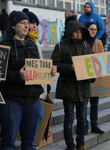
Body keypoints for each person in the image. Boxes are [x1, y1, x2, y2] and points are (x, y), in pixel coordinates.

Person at [0, 10, 56, 150]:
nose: (27, 26)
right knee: (7, 144)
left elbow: (37, 70)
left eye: (27, 23)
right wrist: (18, 75)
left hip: (33, 103)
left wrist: (49, 72)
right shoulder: (3, 46)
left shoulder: (32, 45)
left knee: (30, 144)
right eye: (22, 23)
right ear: (13, 26)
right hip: (12, 102)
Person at [51, 21, 92, 150]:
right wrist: (71, 67)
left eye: (80, 32)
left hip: (83, 88)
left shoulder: (86, 46)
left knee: (82, 118)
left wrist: (96, 74)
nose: (79, 34)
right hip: (68, 88)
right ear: (70, 32)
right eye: (76, 31)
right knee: (69, 119)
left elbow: (90, 65)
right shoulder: (60, 46)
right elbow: (54, 65)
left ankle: (81, 143)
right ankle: (70, 145)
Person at [22, 8, 57, 100]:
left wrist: (49, 72)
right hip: (29, 88)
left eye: (36, 24)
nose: (35, 26)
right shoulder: (24, 41)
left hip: (39, 85)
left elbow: (39, 62)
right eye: (32, 23)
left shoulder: (36, 40)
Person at [84, 22, 105, 135]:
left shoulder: (99, 43)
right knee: (83, 103)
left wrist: (102, 71)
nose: (93, 31)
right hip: (84, 78)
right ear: (86, 30)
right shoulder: (82, 42)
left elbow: (102, 59)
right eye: (91, 29)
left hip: (96, 78)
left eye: (95, 29)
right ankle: (84, 126)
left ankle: (94, 125)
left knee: (94, 103)